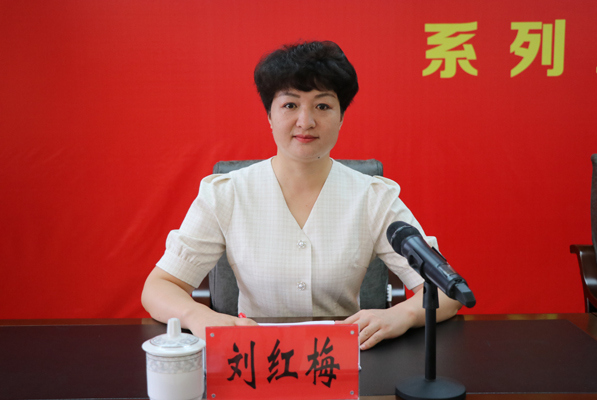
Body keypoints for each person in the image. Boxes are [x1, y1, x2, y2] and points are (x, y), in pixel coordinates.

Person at [141, 41, 461, 350]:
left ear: (341, 117)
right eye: (290, 105)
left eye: (322, 106)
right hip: (254, 360)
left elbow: (447, 290)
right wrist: (198, 316)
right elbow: (159, 287)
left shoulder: (373, 197)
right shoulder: (226, 194)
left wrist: (401, 315)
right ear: (269, 115)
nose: (305, 122)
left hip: (345, 362)